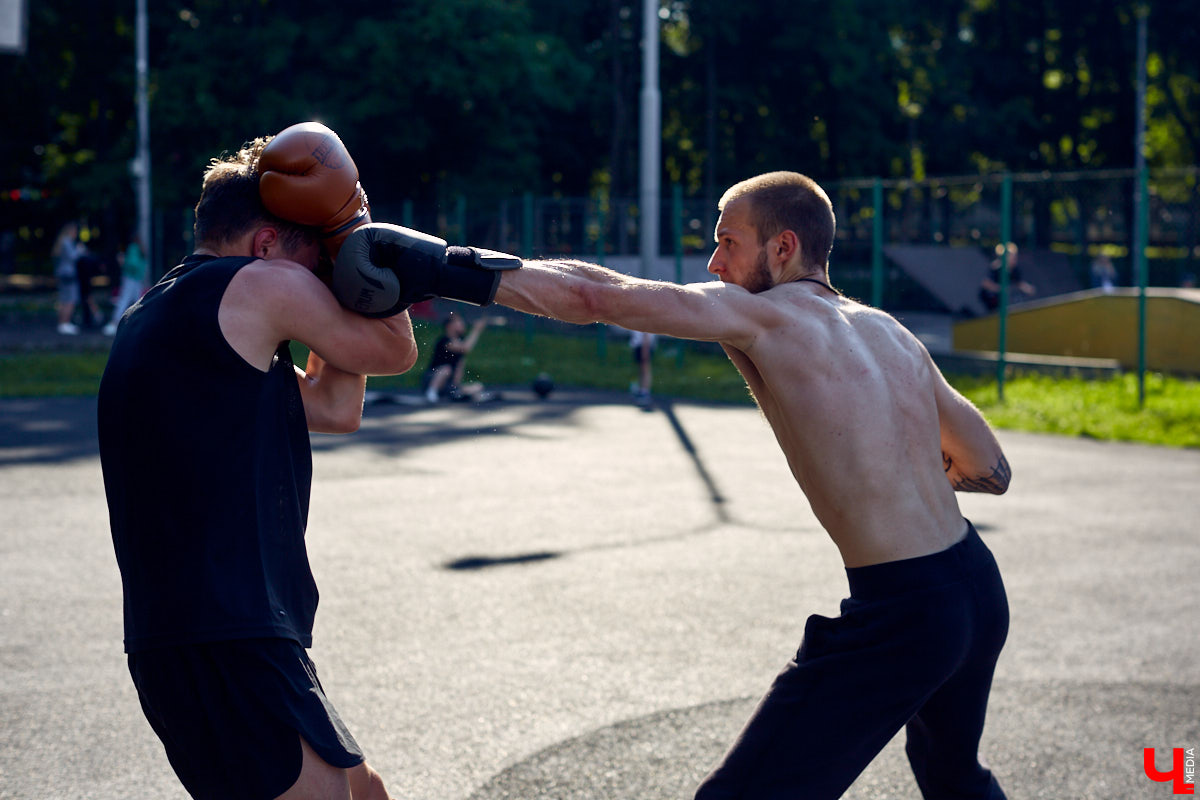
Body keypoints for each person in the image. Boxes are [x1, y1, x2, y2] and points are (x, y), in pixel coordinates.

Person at [338, 171, 1013, 799]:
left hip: (905, 610)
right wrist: (902, 469)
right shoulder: (891, 333)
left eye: (727, 242)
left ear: (783, 248)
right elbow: (991, 467)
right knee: (954, 774)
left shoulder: (765, 316)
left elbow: (594, 298)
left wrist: (434, 264)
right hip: (976, 586)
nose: (713, 264)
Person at [97, 122, 417, 800]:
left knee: (367, 793)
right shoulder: (253, 286)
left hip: (218, 633)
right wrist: (355, 231)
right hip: (224, 634)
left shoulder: (170, 316)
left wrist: (338, 268)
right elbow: (393, 352)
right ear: (267, 246)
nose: (323, 281)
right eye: (317, 264)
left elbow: (337, 406)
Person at [421, 311, 497, 402]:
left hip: (448, 383)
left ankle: (454, 394)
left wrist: (456, 386)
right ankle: (431, 392)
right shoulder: (444, 341)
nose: (462, 324)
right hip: (432, 379)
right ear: (449, 326)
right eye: (459, 322)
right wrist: (476, 330)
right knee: (446, 369)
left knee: (477, 386)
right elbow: (465, 348)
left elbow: (459, 367)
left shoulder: (460, 341)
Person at [103, 234, 149, 335]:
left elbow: (132, 264)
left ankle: (114, 323)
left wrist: (123, 261)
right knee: (137, 301)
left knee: (124, 299)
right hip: (137, 278)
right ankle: (138, 324)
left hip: (130, 277)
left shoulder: (133, 248)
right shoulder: (141, 249)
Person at [978, 242, 1034, 311]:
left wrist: (1027, 288)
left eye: (1015, 257)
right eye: (1012, 256)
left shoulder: (1015, 270)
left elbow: (1019, 283)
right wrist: (1000, 289)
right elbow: (985, 283)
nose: (1014, 259)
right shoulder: (996, 268)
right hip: (991, 298)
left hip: (1005, 299)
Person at [51, 221, 83, 334]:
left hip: (62, 274)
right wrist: (80, 250)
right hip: (69, 274)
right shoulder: (67, 242)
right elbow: (73, 257)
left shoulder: (61, 242)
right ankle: (65, 322)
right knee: (70, 299)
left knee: (64, 299)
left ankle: (62, 323)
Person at [629, 329, 656, 408]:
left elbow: (646, 333)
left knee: (645, 369)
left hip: (644, 346)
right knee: (641, 370)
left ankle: (644, 393)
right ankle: (641, 391)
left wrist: (645, 348)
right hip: (640, 345)